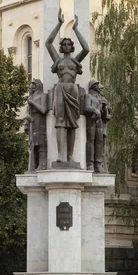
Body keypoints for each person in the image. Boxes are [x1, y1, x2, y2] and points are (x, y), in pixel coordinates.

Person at [45, 9, 89, 163]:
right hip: (60, 89)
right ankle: (60, 155)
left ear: (71, 47)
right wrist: (59, 24)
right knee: (60, 122)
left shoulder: (75, 61)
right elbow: (48, 43)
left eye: (68, 44)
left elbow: (87, 49)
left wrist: (76, 30)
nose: (65, 45)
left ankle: (70, 156)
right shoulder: (58, 61)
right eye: (63, 44)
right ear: (61, 47)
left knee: (72, 123)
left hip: (73, 90)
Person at [25, 79, 48, 170]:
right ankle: (34, 166)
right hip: (32, 122)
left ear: (36, 86)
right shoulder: (31, 97)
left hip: (40, 121)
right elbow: (28, 111)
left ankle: (42, 164)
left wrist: (33, 103)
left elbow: (43, 109)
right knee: (33, 144)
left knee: (40, 142)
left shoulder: (42, 96)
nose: (30, 87)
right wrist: (26, 123)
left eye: (32, 85)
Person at [84, 80, 104, 172]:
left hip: (99, 121)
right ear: (93, 86)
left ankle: (98, 163)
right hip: (91, 120)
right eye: (97, 85)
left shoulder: (100, 98)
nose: (99, 87)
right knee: (91, 141)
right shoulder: (89, 96)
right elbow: (86, 107)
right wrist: (95, 110)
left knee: (99, 141)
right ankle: (90, 163)